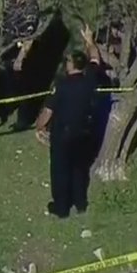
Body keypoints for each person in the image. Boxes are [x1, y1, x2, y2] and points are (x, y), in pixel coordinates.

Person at [35, 23, 103, 218]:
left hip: (63, 136)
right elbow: (96, 58)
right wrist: (89, 41)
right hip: (84, 132)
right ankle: (81, 203)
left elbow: (47, 111)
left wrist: (39, 127)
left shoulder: (61, 86)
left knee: (60, 171)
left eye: (68, 61)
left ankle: (62, 207)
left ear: (72, 65)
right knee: (80, 169)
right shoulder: (90, 78)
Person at [0, 0, 42, 130]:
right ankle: (5, 110)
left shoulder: (30, 8)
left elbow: (29, 38)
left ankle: (24, 119)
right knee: (8, 83)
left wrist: (20, 59)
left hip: (21, 53)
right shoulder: (13, 2)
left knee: (24, 87)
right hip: (9, 50)